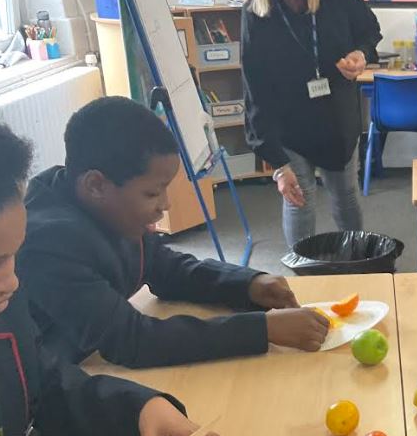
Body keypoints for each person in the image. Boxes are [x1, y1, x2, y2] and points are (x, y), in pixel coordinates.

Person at [0, 123, 227, 436]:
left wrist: (138, 409)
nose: (12, 280)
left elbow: (42, 383)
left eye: (11, 256)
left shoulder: (5, 302)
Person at [17, 97, 331, 369]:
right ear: (96, 185)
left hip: (91, 362)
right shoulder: (47, 244)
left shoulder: (104, 207)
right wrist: (261, 329)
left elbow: (165, 267)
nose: (165, 204)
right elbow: (131, 340)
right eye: (152, 193)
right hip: (49, 387)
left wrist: (248, 284)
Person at [241, 0, 382, 257]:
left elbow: (368, 30)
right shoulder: (254, 12)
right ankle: (303, 275)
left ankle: (359, 262)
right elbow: (255, 91)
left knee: (345, 196)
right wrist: (279, 165)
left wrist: (360, 55)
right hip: (290, 125)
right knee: (298, 200)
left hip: (336, 117)